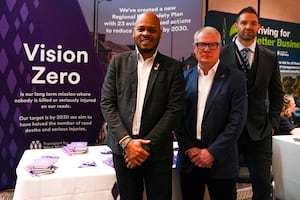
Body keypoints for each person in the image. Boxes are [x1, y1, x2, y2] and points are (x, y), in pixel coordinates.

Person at [100, 12, 184, 200]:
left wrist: (144, 147)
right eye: (141, 29)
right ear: (133, 32)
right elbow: (107, 103)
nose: (146, 33)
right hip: (124, 153)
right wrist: (127, 142)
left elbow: (174, 111)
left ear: (160, 33)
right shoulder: (117, 62)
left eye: (152, 30)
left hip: (157, 153)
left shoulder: (172, 68)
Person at [175, 26, 248, 200]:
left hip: (221, 161)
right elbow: (176, 118)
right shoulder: (183, 78)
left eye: (212, 45)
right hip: (190, 160)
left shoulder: (236, 79)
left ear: (220, 47)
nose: (206, 49)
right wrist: (189, 148)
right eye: (201, 44)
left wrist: (212, 152)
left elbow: (237, 121)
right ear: (194, 48)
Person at [220, 6, 284, 200]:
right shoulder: (221, 54)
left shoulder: (270, 57)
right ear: (236, 26)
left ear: (259, 27)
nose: (248, 26)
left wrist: (272, 124)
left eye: (253, 23)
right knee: (225, 185)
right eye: (244, 22)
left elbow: (277, 95)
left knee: (263, 185)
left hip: (260, 132)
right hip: (228, 131)